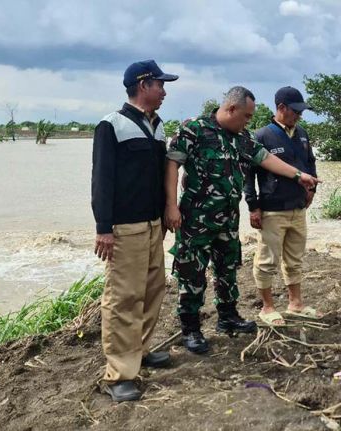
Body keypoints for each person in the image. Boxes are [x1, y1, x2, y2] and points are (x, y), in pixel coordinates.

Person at [164, 86, 319, 354]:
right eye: (247, 116)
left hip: (227, 218)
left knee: (227, 271)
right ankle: (191, 329)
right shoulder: (194, 129)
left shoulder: (241, 137)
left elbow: (266, 158)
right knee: (192, 275)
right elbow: (171, 165)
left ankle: (228, 317)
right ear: (231, 109)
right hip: (196, 219)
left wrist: (298, 176)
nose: (249, 121)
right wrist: (170, 207)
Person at [91, 60, 178, 402]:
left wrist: (165, 214)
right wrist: (103, 228)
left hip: (153, 225)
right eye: (160, 84)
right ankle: (120, 374)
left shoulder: (156, 127)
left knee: (153, 288)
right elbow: (101, 180)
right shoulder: (110, 125)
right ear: (143, 85)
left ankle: (140, 351)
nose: (164, 91)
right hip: (124, 228)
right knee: (124, 297)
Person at [244, 86, 321, 326]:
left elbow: (310, 164)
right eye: (295, 111)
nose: (298, 116)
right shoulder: (262, 136)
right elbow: (249, 176)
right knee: (267, 260)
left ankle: (295, 303)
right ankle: (267, 307)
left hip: (298, 208)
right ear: (281, 108)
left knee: (295, 258)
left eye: (300, 112)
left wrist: (312, 190)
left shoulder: (302, 134)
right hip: (272, 209)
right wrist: (253, 206)